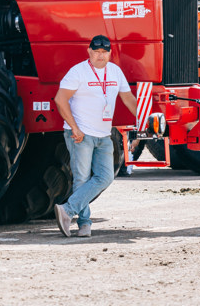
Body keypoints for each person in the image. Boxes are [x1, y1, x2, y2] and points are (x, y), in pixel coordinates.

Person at [53, 34, 138, 238]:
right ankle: (84, 224)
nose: (100, 55)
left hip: (103, 135)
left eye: (104, 52)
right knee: (81, 178)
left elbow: (128, 98)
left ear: (110, 53)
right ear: (89, 51)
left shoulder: (115, 72)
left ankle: (67, 210)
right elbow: (60, 99)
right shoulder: (78, 72)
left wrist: (145, 119)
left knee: (105, 177)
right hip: (80, 134)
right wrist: (74, 127)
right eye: (97, 51)